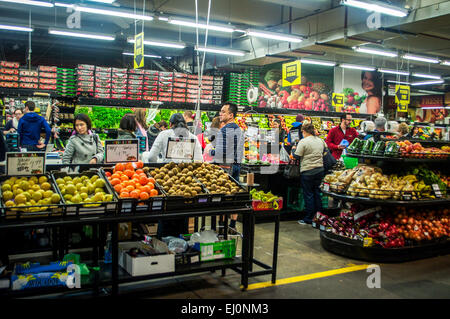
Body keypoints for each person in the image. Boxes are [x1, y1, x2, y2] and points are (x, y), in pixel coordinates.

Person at [211, 102, 244, 234]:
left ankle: (221, 227)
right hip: (236, 165)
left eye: (223, 112)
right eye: (221, 111)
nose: (220, 114)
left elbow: (219, 153)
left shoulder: (224, 130)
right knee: (234, 195)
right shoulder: (239, 130)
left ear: (231, 115)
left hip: (225, 166)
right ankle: (232, 225)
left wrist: (211, 152)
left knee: (223, 197)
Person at [295, 123, 328, 225]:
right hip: (320, 170)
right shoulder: (320, 140)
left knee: (308, 195)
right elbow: (325, 152)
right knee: (317, 193)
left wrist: (293, 150)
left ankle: (309, 218)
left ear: (304, 131)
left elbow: (297, 156)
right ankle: (319, 217)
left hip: (308, 171)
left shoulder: (303, 142)